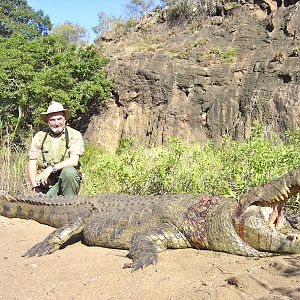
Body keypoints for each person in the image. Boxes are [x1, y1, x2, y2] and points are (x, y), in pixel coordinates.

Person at [28, 101, 85, 196]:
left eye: (59, 119)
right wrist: (35, 186)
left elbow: (74, 161)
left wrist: (50, 169)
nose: (57, 123)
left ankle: (68, 204)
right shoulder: (39, 136)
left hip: (66, 183)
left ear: (65, 119)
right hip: (45, 185)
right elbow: (32, 163)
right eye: (52, 120)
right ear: (47, 121)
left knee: (69, 172)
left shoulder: (75, 135)